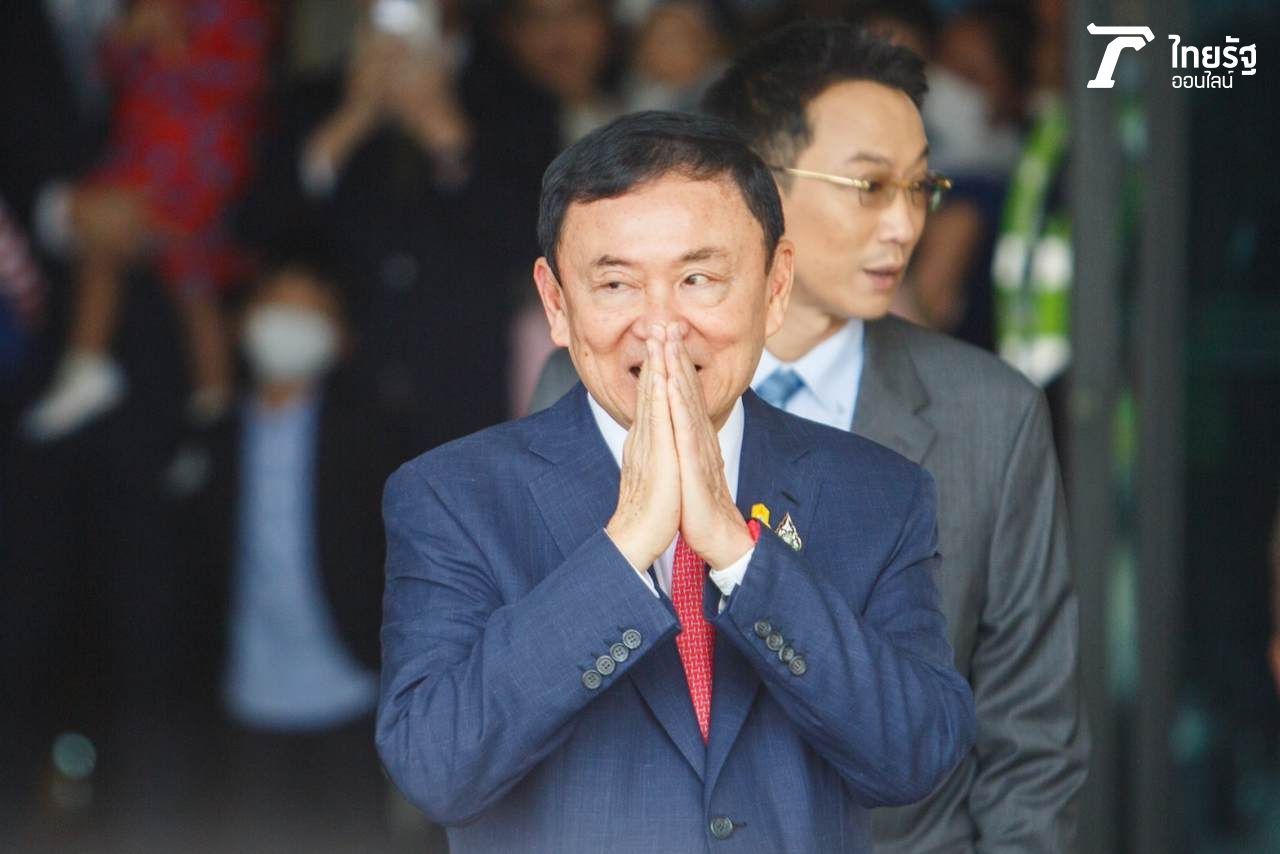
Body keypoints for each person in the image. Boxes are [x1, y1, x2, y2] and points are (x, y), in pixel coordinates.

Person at [530, 22, 1087, 852]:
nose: (904, 224)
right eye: (869, 186)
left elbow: (1032, 736)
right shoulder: (588, 381)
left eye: (920, 187)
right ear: (755, 189)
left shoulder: (989, 413)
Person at [377, 110, 974, 851]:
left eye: (699, 279)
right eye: (616, 284)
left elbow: (918, 756)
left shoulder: (880, 494)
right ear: (557, 303)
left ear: (775, 287)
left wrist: (740, 555)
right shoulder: (452, 496)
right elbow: (435, 768)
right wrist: (625, 547)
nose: (660, 326)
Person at [175, 258, 428, 850]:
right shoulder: (214, 435)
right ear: (243, 322)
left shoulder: (368, 435)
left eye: (310, 310)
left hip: (349, 688)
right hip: (245, 695)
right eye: (278, 304)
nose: (290, 322)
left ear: (341, 337)